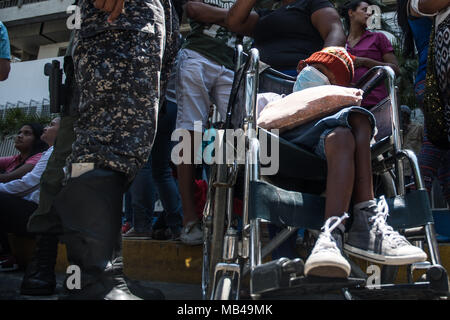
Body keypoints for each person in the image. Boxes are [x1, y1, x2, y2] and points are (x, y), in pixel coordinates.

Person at [32, 0, 175, 300]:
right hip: (119, 17)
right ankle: (94, 280)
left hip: (145, 20)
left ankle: (108, 274)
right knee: (102, 144)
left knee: (123, 146)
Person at [259, 46, 428, 278]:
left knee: (351, 123)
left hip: (330, 157)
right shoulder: (270, 99)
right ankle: (362, 221)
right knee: (351, 120)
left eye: (329, 79)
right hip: (283, 156)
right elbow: (253, 128)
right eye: (317, 69)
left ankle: (335, 233)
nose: (318, 77)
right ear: (302, 68)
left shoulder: (340, 118)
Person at [226, 0, 347, 259]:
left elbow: (335, 30)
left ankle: (316, 241)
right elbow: (233, 21)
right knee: (271, 161)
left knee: (296, 155)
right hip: (262, 90)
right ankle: (283, 254)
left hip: (304, 84)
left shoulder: (311, 4)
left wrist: (321, 67)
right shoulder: (265, 16)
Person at [175, 0, 252, 245]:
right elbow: (194, 10)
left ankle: (232, 214)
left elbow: (254, 23)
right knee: (189, 134)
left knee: (238, 137)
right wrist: (232, 18)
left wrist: (220, 16)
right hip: (197, 55)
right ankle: (189, 220)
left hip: (232, 65)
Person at [397, 0, 450, 206]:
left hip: (429, 81)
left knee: (444, 157)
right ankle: (414, 205)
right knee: (434, 144)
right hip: (434, 82)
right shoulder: (416, 3)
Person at [0, 117, 60, 272]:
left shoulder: (55, 153)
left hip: (42, 217)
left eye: (52, 125)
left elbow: (27, 184)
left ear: (63, 132)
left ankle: (6, 256)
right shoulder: (50, 151)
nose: (46, 128)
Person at [338, 0, 400, 108]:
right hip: (348, 104)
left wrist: (365, 61)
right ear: (351, 12)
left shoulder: (378, 38)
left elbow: (395, 70)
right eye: (364, 10)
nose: (369, 13)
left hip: (376, 103)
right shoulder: (341, 43)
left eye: (371, 11)